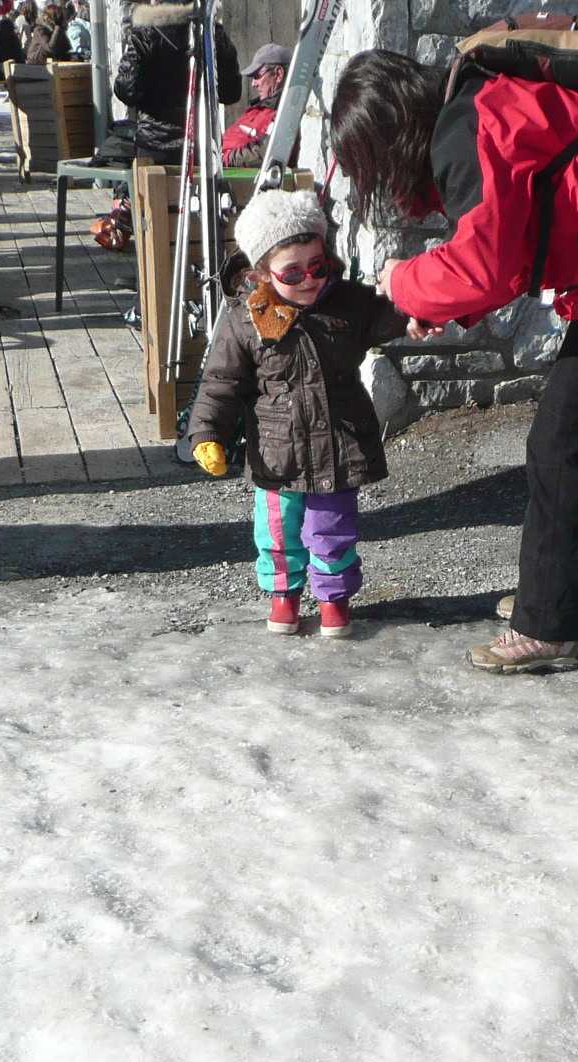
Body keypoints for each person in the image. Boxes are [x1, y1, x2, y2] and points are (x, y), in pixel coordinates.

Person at [329, 48, 578, 675]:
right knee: (576, 440)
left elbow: (485, 265)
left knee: (562, 444)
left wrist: (402, 282)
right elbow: (509, 246)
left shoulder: (467, 129)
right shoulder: (477, 108)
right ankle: (568, 596)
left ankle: (549, 625)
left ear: (392, 132)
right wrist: (442, 305)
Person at [188, 190, 408, 640]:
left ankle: (333, 600)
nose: (309, 280)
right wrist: (206, 433)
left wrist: (421, 298)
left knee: (332, 531)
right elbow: (221, 382)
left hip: (338, 448)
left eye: (317, 267)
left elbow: (394, 315)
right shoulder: (245, 319)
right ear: (261, 273)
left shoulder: (348, 303)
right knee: (277, 533)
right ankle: (283, 596)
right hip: (277, 454)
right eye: (292, 272)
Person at [111, 2, 239, 164]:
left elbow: (126, 90)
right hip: (201, 143)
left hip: (155, 143)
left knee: (152, 181)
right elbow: (231, 92)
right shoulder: (212, 32)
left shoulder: (146, 33)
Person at [222, 43, 291, 169]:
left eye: (257, 76)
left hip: (232, 172)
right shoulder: (260, 108)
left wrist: (223, 158)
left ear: (278, 74)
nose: (253, 84)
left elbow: (266, 152)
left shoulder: (284, 112)